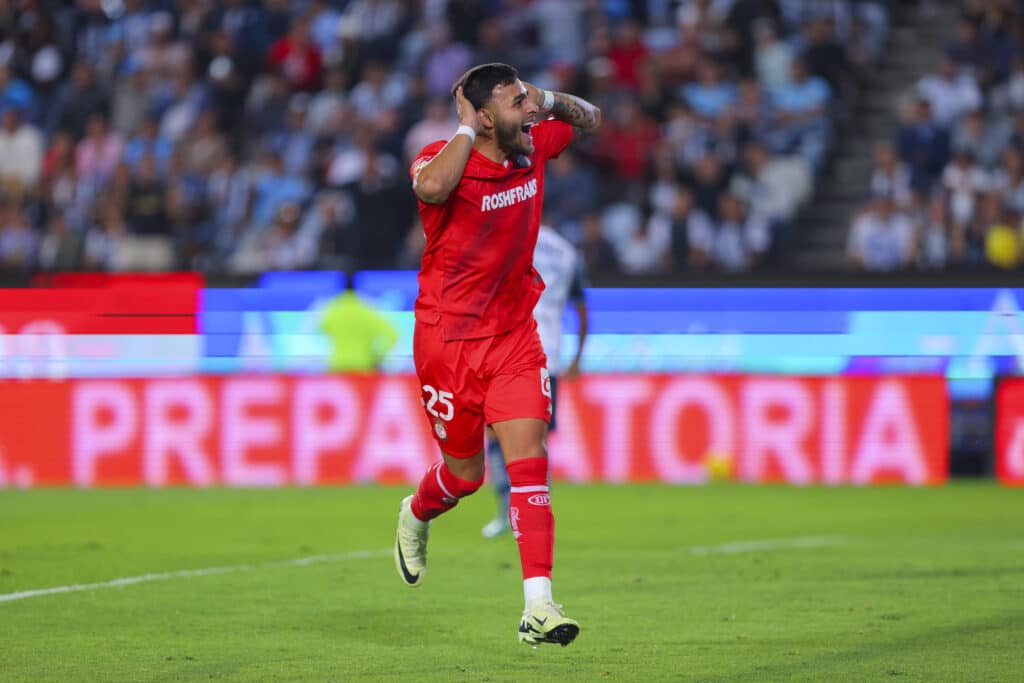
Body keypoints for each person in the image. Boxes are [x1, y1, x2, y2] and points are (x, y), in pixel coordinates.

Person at [395, 62, 600, 648]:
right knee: (464, 476)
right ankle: (416, 511)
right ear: (483, 117)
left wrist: (548, 96)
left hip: (514, 336)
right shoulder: (444, 158)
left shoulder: (534, 144)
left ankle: (539, 605)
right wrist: (465, 130)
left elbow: (592, 118)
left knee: (528, 460)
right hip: (448, 343)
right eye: (515, 103)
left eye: (526, 98)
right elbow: (431, 188)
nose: (529, 111)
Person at [481, 222, 589, 539]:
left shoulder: (505, 234)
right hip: (549, 354)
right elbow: (581, 308)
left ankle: (506, 513)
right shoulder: (568, 253)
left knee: (496, 433)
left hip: (506, 349)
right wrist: (578, 357)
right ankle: (536, 514)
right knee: (536, 440)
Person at [319, 270, 398, 372]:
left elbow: (315, 330)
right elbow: (393, 335)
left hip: (338, 365)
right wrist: (379, 356)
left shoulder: (331, 309)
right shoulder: (368, 309)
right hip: (364, 366)